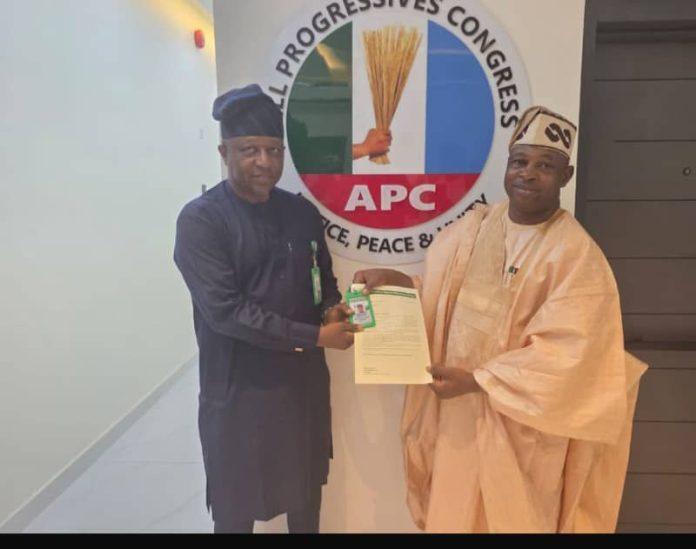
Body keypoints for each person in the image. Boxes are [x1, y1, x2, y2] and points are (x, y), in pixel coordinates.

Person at [353, 106, 647, 533]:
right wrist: (393, 282)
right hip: (456, 422)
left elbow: (569, 358)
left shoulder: (576, 256)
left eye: (545, 166)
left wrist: (479, 380)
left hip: (522, 436)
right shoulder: (474, 228)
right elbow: (441, 300)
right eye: (519, 162)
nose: (528, 174)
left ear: (566, 176)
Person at [174, 84, 359, 534]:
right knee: (235, 509)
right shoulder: (201, 220)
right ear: (224, 152)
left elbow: (323, 281)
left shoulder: (301, 213)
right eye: (250, 150)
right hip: (239, 391)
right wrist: (315, 336)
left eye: (273, 150)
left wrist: (332, 310)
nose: (264, 162)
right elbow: (226, 312)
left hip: (301, 389)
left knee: (306, 497)